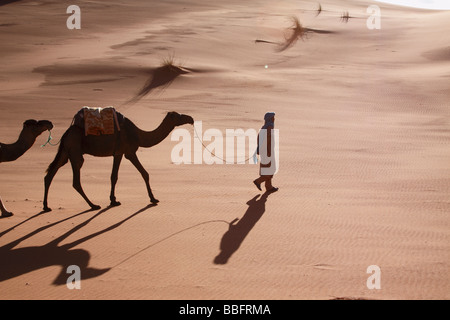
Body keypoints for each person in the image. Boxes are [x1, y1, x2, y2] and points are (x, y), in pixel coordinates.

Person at [253, 112, 278, 193]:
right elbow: (266, 141)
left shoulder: (264, 127)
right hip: (268, 153)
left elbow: (259, 139)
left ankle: (269, 186)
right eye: (272, 118)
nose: (274, 119)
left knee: (268, 169)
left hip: (265, 152)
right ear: (270, 119)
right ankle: (258, 181)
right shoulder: (269, 128)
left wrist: (259, 149)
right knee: (270, 170)